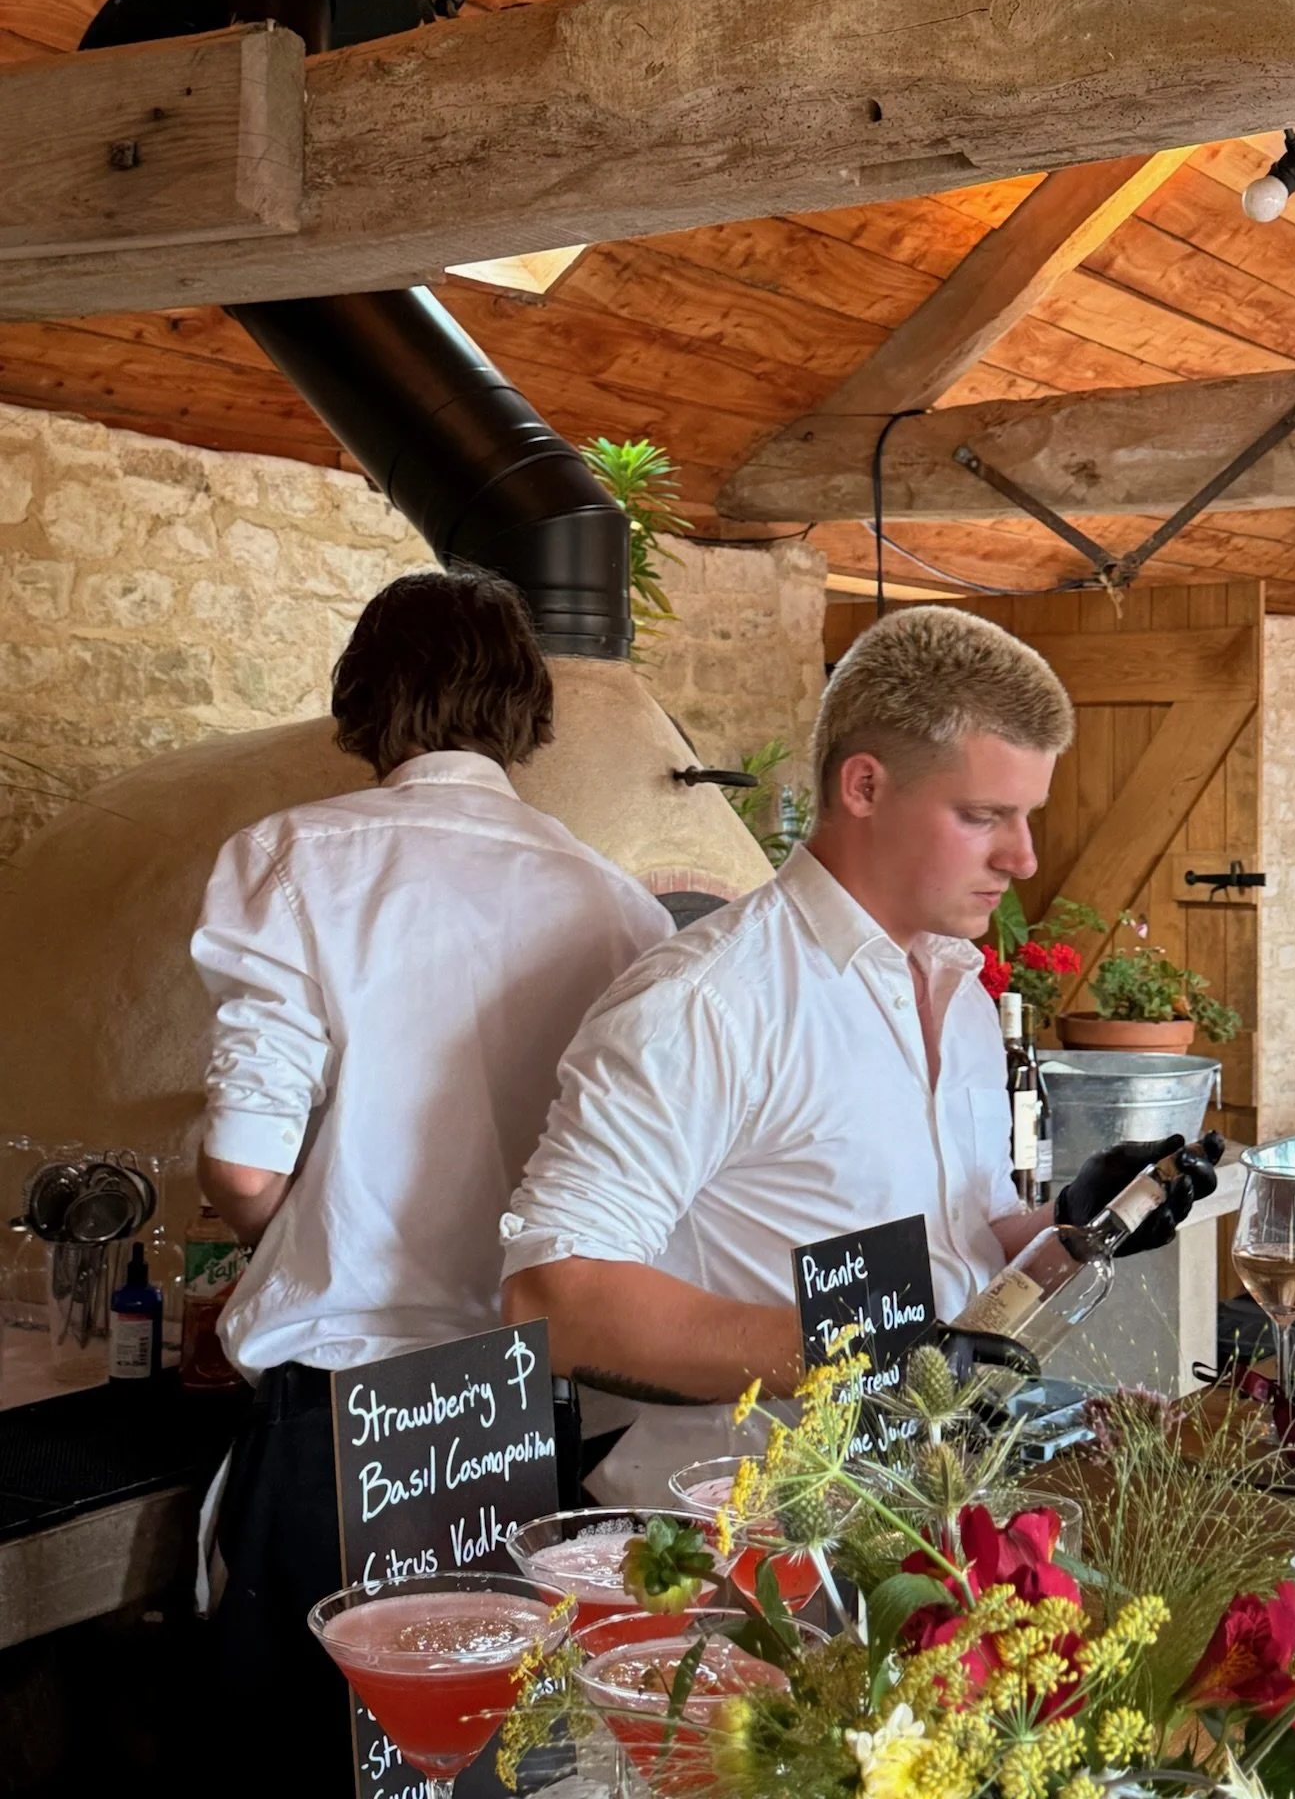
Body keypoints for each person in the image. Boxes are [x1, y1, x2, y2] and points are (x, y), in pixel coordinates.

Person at [501, 606, 1218, 1503]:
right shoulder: (708, 1001)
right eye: (984, 815)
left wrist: (1076, 1222)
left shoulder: (960, 994)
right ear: (865, 786)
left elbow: (962, 1240)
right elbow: (553, 1298)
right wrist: (857, 1355)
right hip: (736, 1546)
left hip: (920, 1513)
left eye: (1026, 815)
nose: (1025, 858)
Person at [193, 569, 671, 1795]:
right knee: (490, 1777)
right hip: (519, 1429)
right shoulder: (620, 910)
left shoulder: (293, 859)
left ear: (364, 696)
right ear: (527, 709)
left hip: (339, 1424)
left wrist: (290, 1232)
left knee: (301, 1766)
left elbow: (245, 1165)